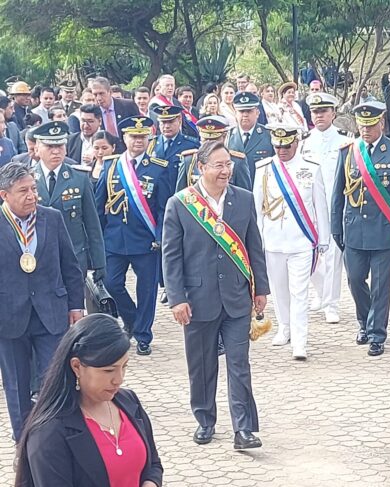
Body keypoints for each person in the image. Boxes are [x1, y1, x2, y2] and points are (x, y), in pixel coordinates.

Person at [162, 141, 269, 449]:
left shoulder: (243, 199)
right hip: (197, 300)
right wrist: (177, 298)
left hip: (236, 297)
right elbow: (171, 256)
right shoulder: (180, 203)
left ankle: (243, 429)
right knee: (202, 366)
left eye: (228, 165)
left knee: (239, 365)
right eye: (219, 165)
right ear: (201, 167)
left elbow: (254, 246)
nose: (225, 171)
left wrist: (261, 288)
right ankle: (205, 419)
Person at [14, 314, 163, 487]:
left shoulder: (129, 402)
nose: (119, 379)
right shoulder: (49, 433)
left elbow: (153, 464)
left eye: (124, 367)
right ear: (77, 366)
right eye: (109, 371)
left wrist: (151, 483)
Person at [0, 162, 84, 442]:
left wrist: (76, 306)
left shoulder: (52, 218)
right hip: (9, 317)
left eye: (33, 189)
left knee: (56, 379)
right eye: (23, 191)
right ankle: (24, 442)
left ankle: (58, 437)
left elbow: (70, 265)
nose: (31, 196)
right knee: (16, 385)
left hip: (51, 312)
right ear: (4, 195)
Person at [331, 102, 390, 357]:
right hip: (354, 229)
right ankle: (364, 322)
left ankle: (377, 334)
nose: (365, 130)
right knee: (355, 280)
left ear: (381, 123)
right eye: (362, 125)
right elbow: (337, 194)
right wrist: (336, 227)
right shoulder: (348, 152)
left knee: (381, 286)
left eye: (370, 125)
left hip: (383, 230)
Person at [253, 123, 330, 359]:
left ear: (296, 143)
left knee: (299, 292)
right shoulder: (264, 169)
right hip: (273, 241)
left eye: (286, 146)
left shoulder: (311, 168)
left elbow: (320, 205)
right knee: (279, 290)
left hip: (301, 241)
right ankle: (284, 328)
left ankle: (300, 341)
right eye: (277, 147)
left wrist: (323, 238)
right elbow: (257, 208)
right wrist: (257, 241)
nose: (282, 151)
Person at [95, 116, 170, 356]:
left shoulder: (159, 168)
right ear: (124, 138)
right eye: (134, 136)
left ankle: (143, 335)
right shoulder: (111, 166)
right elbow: (99, 205)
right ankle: (132, 319)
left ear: (149, 139)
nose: (138, 141)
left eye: (142, 137)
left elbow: (164, 208)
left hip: (146, 240)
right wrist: (98, 238)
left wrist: (160, 236)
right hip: (115, 238)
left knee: (146, 291)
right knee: (111, 283)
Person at [31, 120, 106, 280]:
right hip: (37, 260)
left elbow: (92, 223)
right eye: (49, 146)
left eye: (60, 146)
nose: (56, 151)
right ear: (37, 148)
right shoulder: (27, 180)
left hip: (73, 259)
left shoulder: (79, 178)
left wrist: (99, 261)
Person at [300, 93, 351, 324]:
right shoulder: (303, 142)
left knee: (332, 256)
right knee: (306, 254)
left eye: (323, 111)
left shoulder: (344, 142)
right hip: (308, 208)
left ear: (333, 113)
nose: (318, 116)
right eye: (315, 112)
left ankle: (331, 304)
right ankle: (321, 291)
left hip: (333, 206)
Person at [177, 114, 251, 192]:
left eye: (215, 141)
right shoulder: (189, 161)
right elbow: (180, 195)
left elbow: (244, 195)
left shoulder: (237, 161)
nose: (210, 147)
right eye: (206, 141)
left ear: (225, 137)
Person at [150, 105, 199, 193]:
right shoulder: (151, 144)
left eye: (170, 122)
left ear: (179, 121)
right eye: (163, 122)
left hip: (179, 194)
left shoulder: (191, 145)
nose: (167, 126)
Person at [228, 92, 274, 183]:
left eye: (249, 111)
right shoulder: (227, 136)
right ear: (235, 113)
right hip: (236, 189)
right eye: (241, 111)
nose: (245, 115)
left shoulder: (268, 135)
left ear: (257, 113)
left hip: (262, 186)